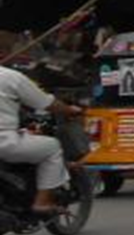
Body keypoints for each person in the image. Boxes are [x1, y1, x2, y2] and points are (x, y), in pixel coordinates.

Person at [0, 61, 84, 215]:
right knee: (52, 147)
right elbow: (46, 102)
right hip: (4, 141)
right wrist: (69, 110)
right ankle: (42, 202)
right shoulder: (10, 77)